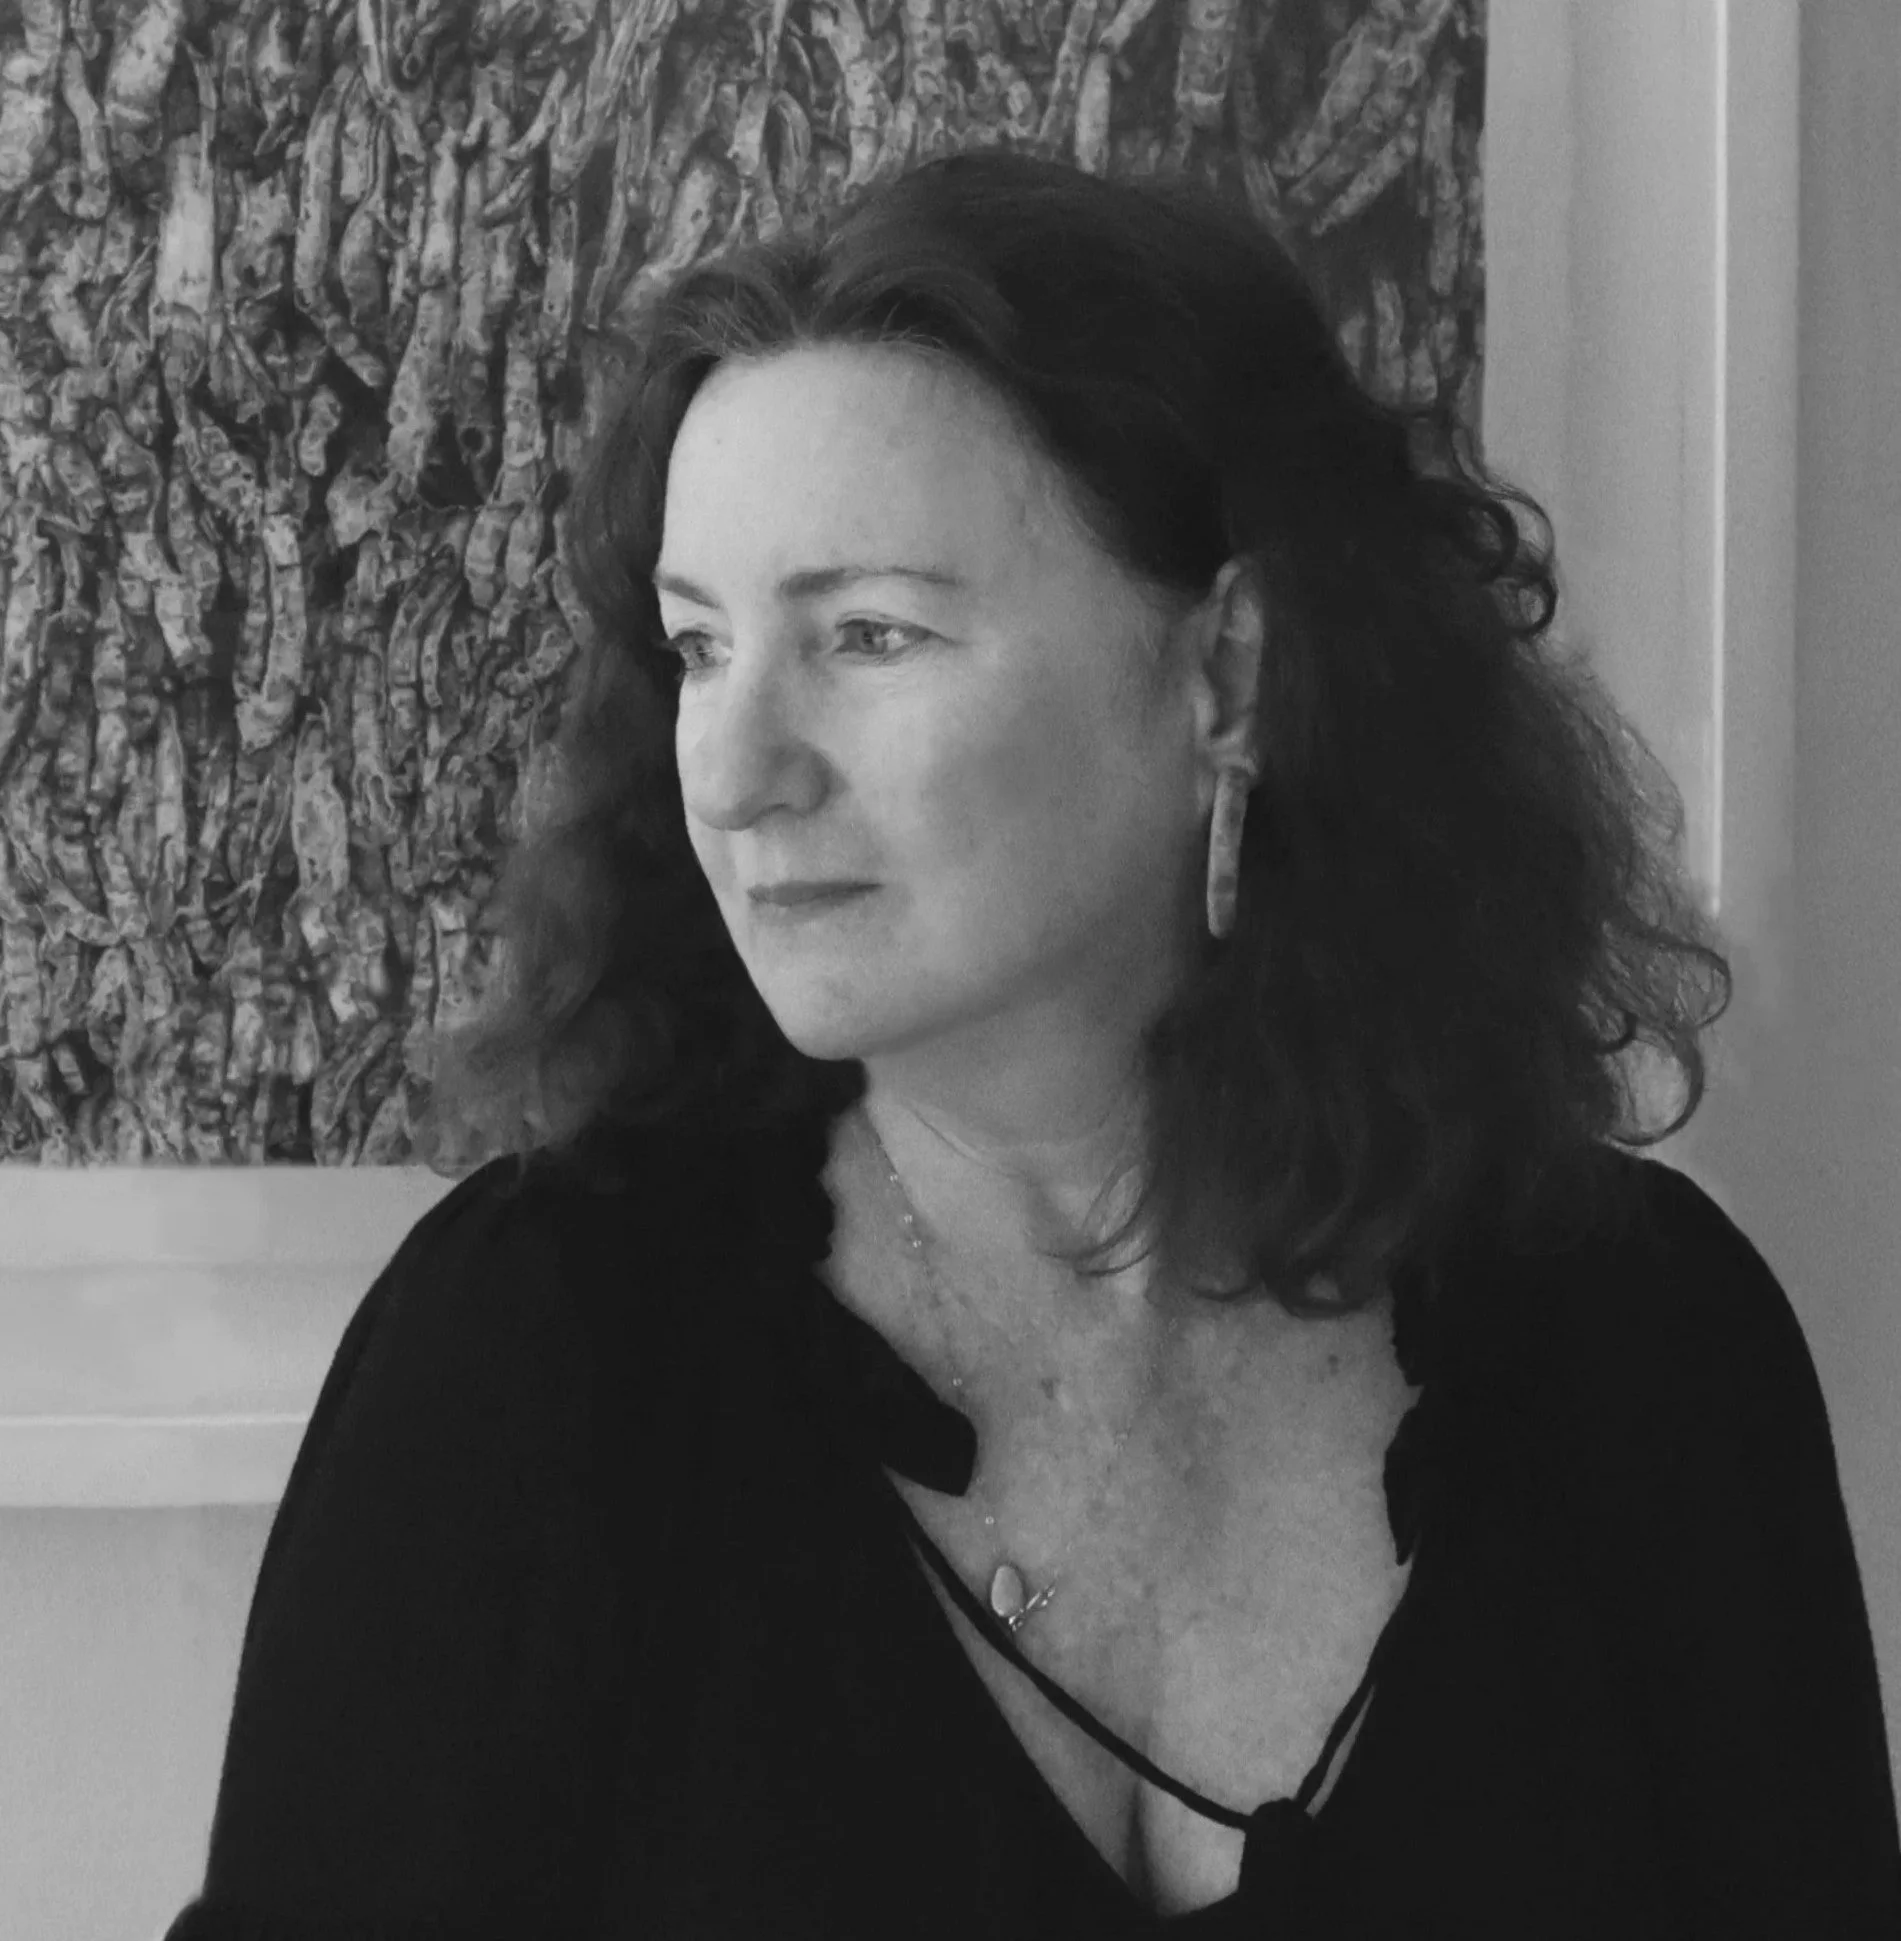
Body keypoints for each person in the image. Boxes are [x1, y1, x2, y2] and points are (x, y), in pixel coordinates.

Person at [163, 150, 1900, 1937]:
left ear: (1226, 675)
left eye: (869, 634)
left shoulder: (1648, 1357)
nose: (740, 770)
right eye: (699, 649)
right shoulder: (532, 1361)